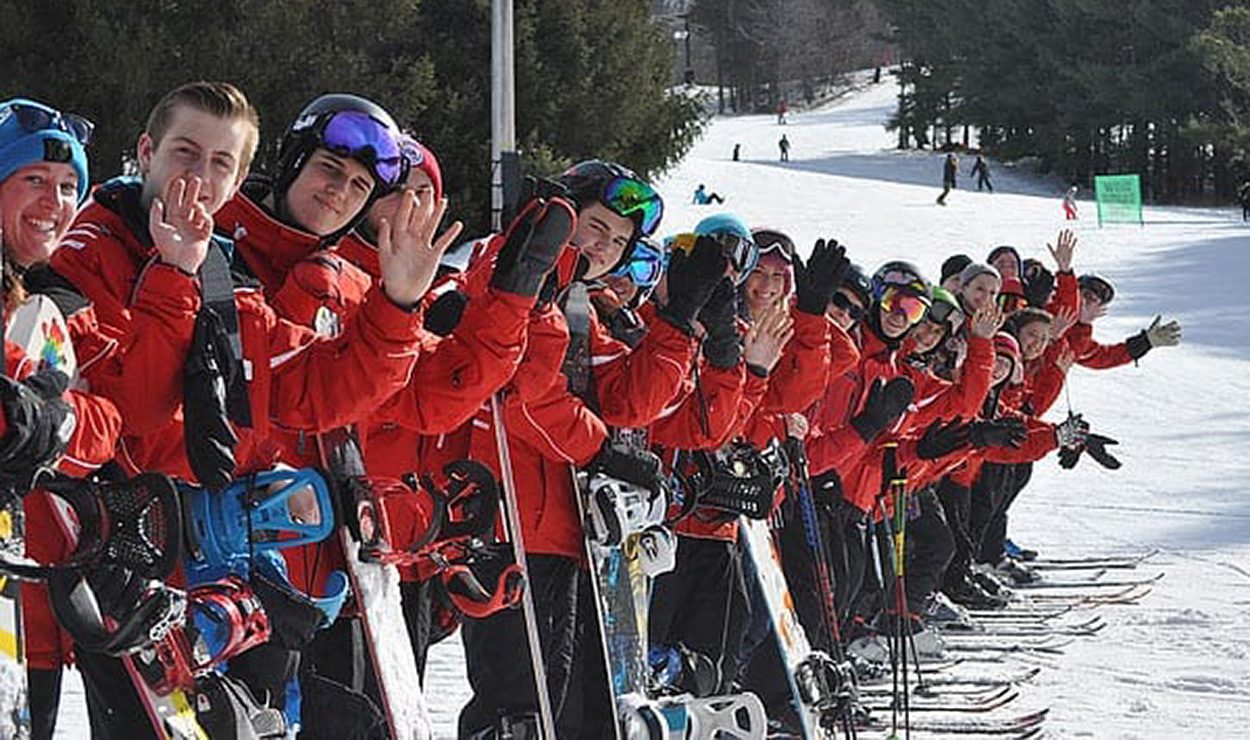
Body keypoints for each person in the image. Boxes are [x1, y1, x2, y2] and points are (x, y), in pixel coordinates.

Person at [48, 81, 444, 737]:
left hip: (224, 565)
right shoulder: (91, 250)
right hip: (126, 566)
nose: (199, 178)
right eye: (185, 153)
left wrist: (397, 305)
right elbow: (133, 417)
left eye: (221, 164)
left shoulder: (221, 270)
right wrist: (173, 275)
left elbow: (310, 388)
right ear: (146, 152)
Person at [0, 97, 124, 740]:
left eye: (70, 186)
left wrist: (57, 420)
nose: (55, 200)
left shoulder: (52, 303)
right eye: (33, 181)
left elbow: (106, 421)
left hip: (25, 604)